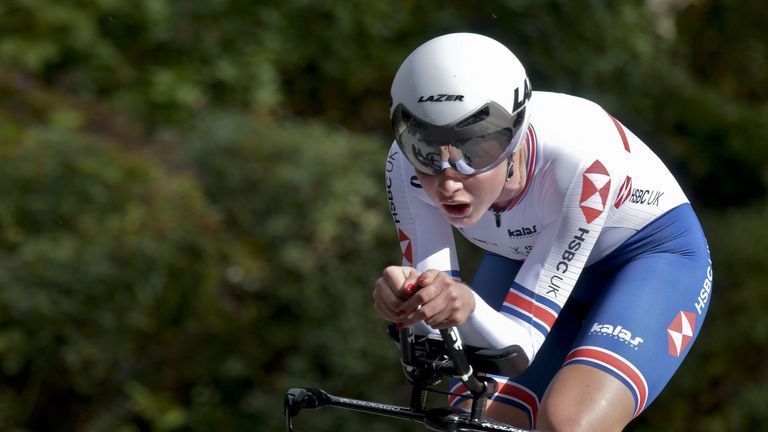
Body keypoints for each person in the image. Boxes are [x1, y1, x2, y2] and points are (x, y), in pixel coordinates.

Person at [374, 33, 712, 431]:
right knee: (475, 423)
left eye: (474, 152)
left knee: (569, 422)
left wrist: (464, 306)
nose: (449, 182)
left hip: (647, 260)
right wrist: (409, 306)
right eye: (425, 150)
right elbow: (434, 333)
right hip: (527, 259)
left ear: (514, 133)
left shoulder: (581, 159)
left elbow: (516, 345)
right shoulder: (402, 166)